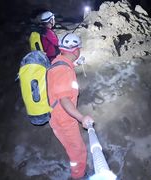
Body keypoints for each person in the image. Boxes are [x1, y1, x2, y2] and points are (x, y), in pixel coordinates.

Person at [47, 33, 94, 179]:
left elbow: (63, 72)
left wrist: (76, 64)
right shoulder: (64, 71)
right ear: (75, 50)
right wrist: (81, 118)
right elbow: (64, 99)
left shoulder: (60, 61)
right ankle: (78, 176)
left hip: (58, 116)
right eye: (78, 48)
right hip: (64, 120)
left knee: (72, 148)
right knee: (78, 151)